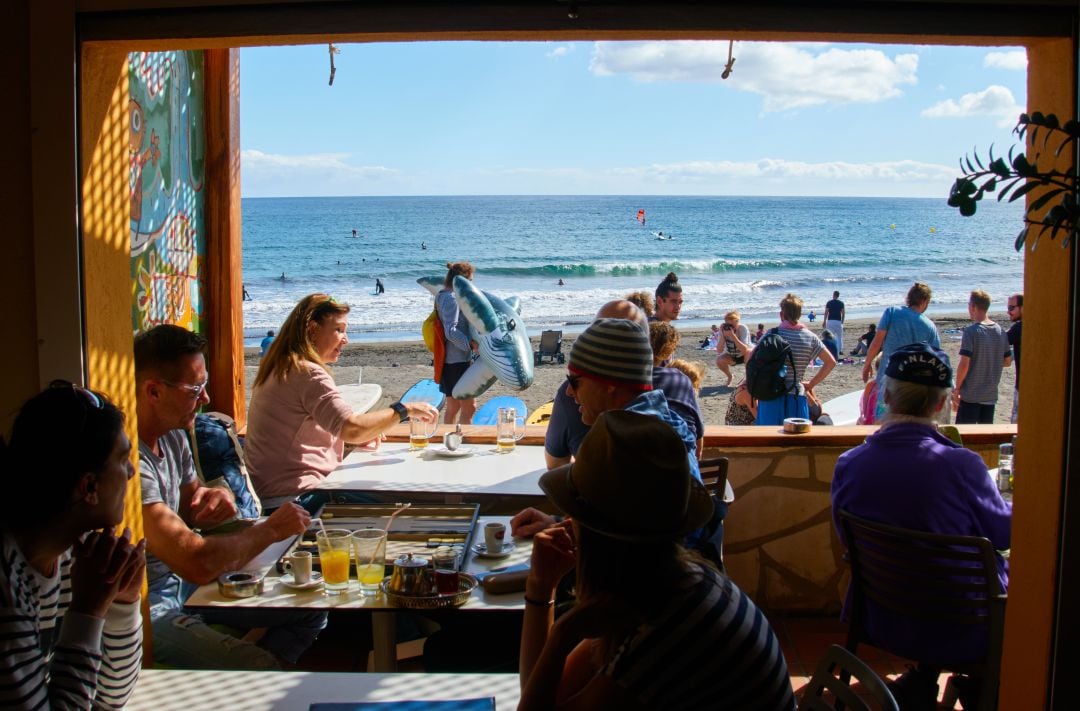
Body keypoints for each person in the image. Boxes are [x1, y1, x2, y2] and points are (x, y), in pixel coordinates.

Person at [519, 411, 796, 711]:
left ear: (596, 536)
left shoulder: (669, 631)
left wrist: (557, 626)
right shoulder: (678, 581)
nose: (568, 521)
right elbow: (545, 692)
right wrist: (542, 587)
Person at [135, 324, 328, 669]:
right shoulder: (130, 464)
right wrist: (270, 530)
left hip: (187, 587)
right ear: (153, 392)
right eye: (195, 389)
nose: (206, 399)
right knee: (262, 669)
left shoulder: (173, 434)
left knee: (312, 611)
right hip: (149, 607)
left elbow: (189, 503)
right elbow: (197, 562)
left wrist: (212, 498)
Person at [832, 343, 1011, 709]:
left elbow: (843, 537)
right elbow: (1005, 534)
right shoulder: (962, 465)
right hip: (965, 625)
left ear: (886, 396)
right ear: (940, 403)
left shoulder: (850, 464)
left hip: (883, 614)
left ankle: (924, 678)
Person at [0, 383, 145, 709]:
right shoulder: (7, 586)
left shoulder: (70, 556)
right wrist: (87, 612)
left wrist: (122, 605)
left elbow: (110, 696)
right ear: (90, 486)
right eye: (123, 459)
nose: (131, 471)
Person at [245, 295, 439, 507]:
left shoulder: (281, 366)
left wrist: (348, 440)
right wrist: (404, 409)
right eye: (339, 330)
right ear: (312, 329)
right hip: (299, 501)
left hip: (277, 497)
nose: (346, 339)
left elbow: (311, 431)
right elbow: (352, 427)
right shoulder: (307, 374)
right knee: (408, 505)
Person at [862, 282, 940, 422]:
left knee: (882, 424)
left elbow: (876, 343)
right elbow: (936, 359)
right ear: (924, 301)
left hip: (888, 380)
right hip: (914, 386)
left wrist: (867, 364)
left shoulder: (892, 312)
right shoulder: (930, 327)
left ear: (909, 298)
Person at [756, 293, 836, 426]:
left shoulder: (771, 334)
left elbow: (752, 358)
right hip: (796, 395)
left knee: (768, 440)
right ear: (799, 314)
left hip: (770, 395)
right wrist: (811, 384)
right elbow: (830, 362)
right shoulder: (810, 337)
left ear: (781, 314)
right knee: (795, 439)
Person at [953, 290, 1012, 424]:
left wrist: (957, 388)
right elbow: (1008, 361)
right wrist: (989, 360)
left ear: (973, 307)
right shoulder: (1000, 331)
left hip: (971, 395)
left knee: (965, 437)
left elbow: (964, 363)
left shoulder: (971, 332)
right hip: (990, 395)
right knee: (984, 437)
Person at [650, 321, 705, 455]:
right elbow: (698, 438)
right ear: (669, 351)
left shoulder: (631, 381)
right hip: (684, 466)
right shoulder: (680, 379)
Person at [436, 262, 480, 424]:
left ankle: (449, 441)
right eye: (470, 280)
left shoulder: (446, 294)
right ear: (461, 280)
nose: (471, 285)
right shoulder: (451, 298)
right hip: (457, 361)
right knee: (470, 408)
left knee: (453, 407)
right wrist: (471, 345)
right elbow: (451, 331)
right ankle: (465, 442)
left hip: (452, 361)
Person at [715, 310, 751, 386]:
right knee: (719, 360)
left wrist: (733, 336)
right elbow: (719, 350)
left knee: (749, 353)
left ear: (738, 322)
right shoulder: (723, 330)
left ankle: (748, 379)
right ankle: (730, 376)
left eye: (733, 325)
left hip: (746, 356)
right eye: (729, 325)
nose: (731, 328)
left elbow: (745, 350)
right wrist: (723, 336)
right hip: (732, 355)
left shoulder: (742, 328)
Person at [1006, 292, 1023, 424]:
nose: (1008, 312)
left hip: (1022, 386)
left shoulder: (1019, 328)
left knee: (1016, 424)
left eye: (1012, 308)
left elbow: (1001, 342)